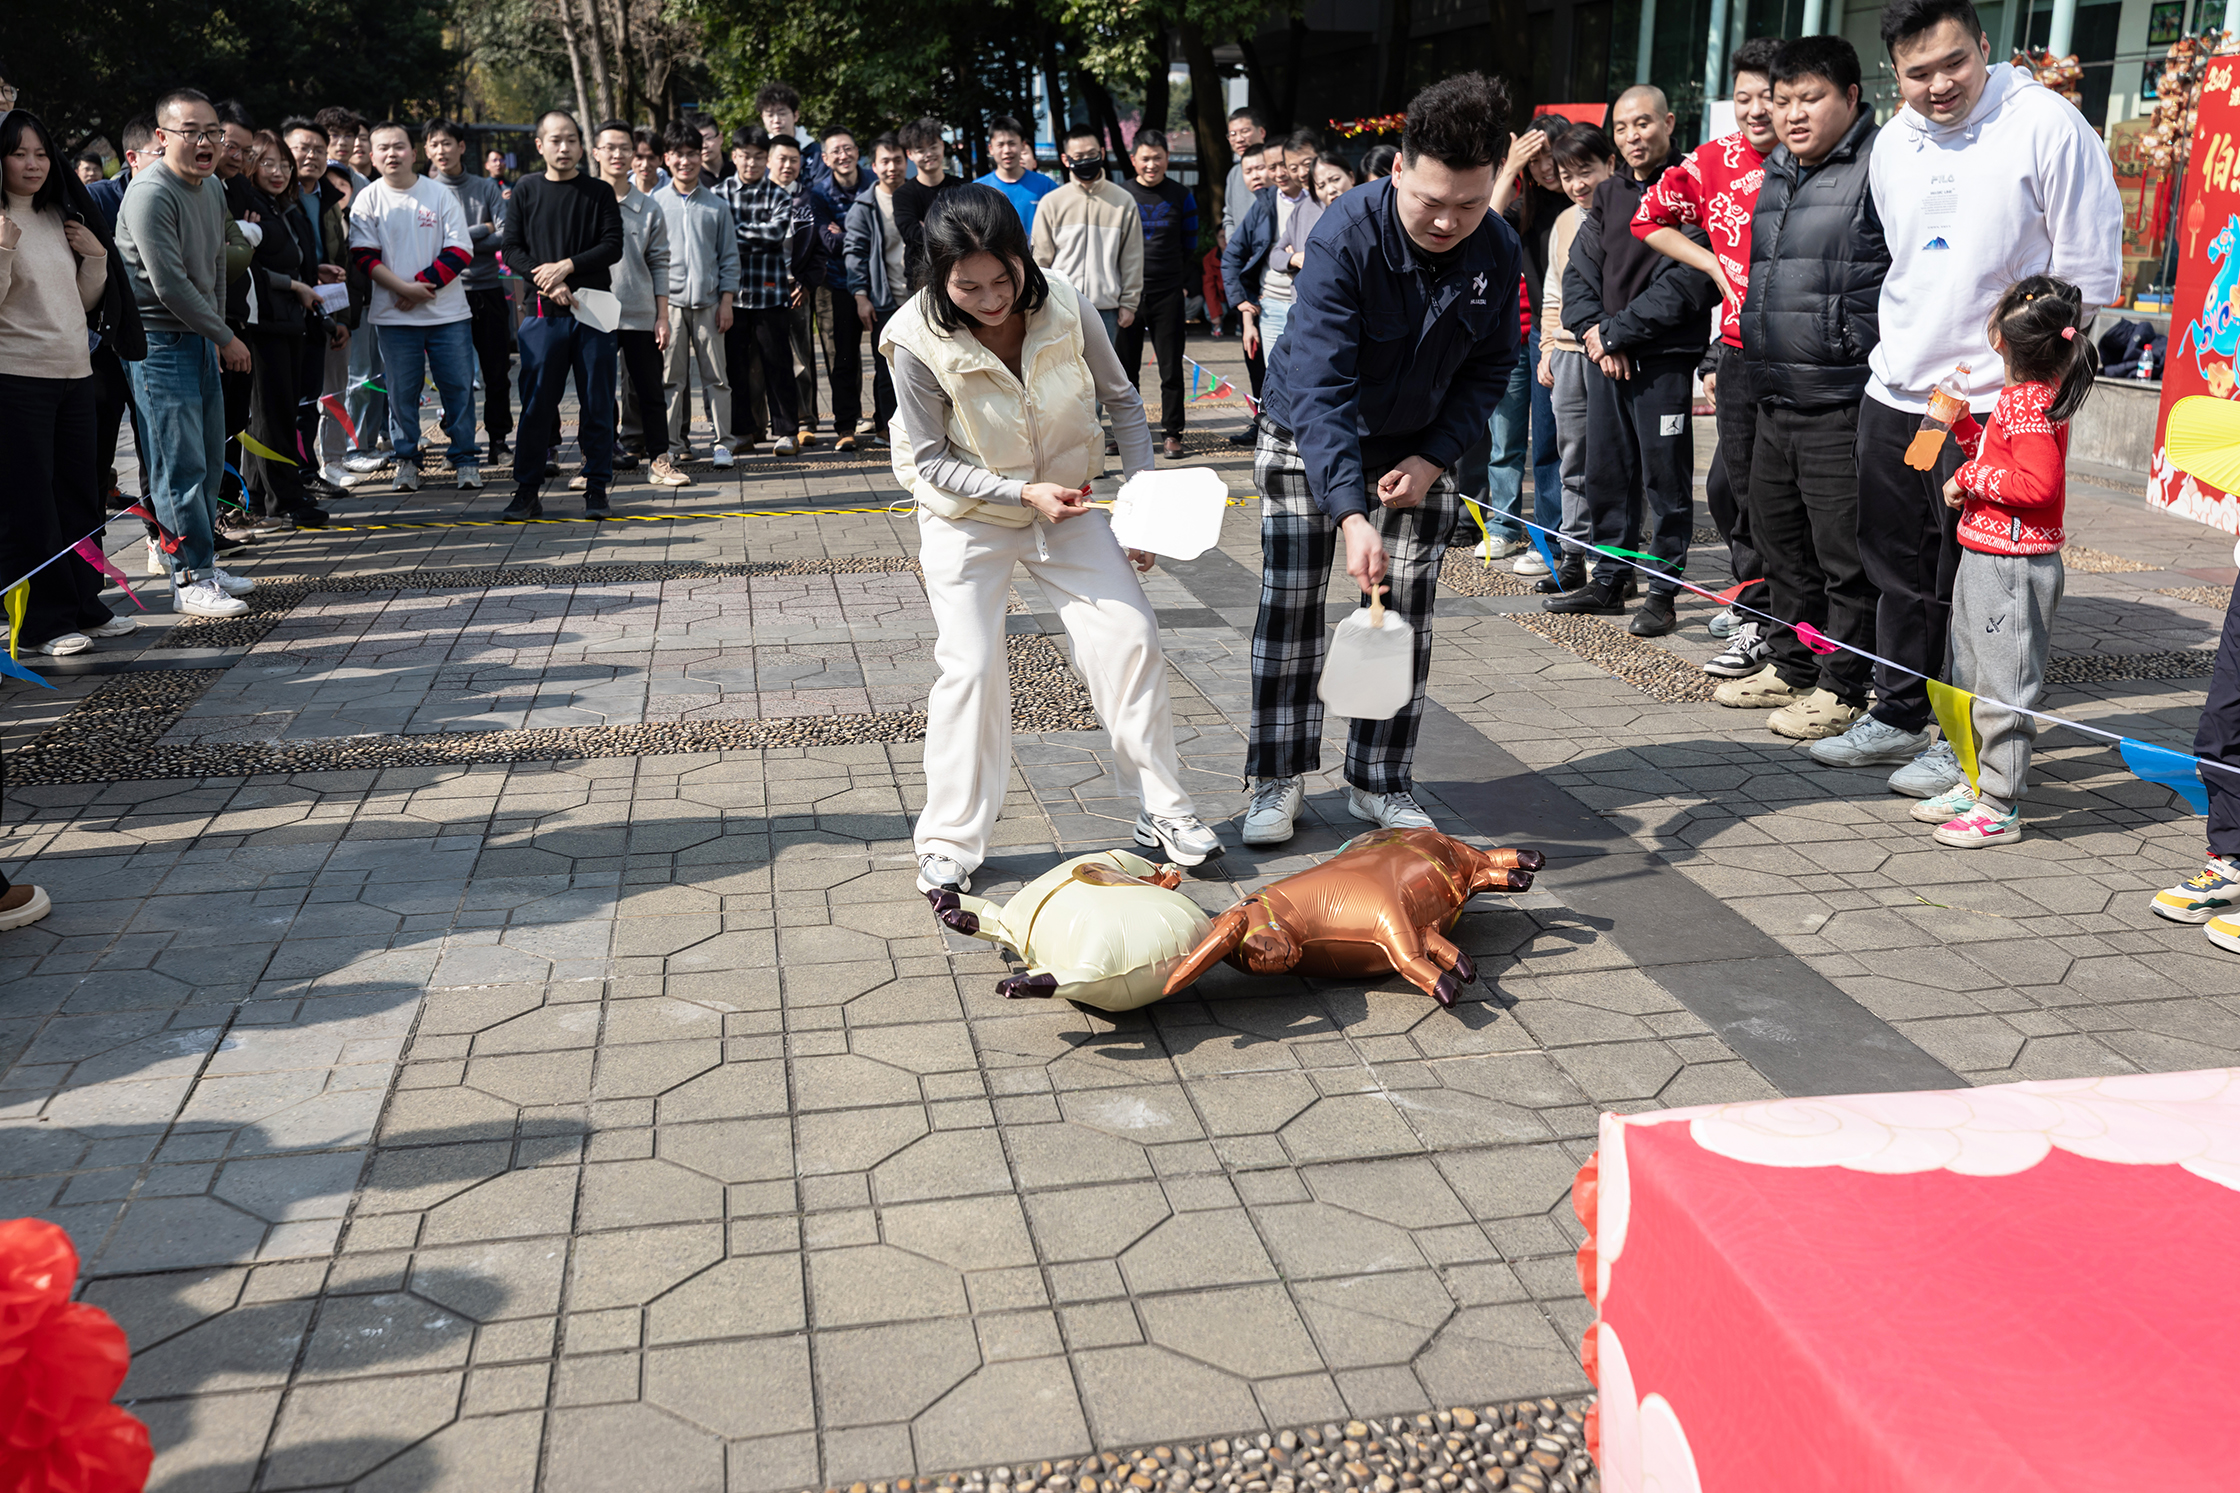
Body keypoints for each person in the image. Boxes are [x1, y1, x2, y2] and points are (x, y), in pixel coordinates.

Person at [882, 184, 1218, 893]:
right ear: (939, 278)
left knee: (1131, 637)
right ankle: (949, 840)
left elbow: (1123, 402)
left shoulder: (1064, 300)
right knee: (971, 668)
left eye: (1003, 278)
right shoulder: (912, 338)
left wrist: (1142, 512)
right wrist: (1020, 492)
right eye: (968, 286)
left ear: (1023, 258)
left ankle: (1163, 809)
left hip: (1068, 500)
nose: (992, 298)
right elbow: (931, 460)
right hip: (967, 512)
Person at [1828, 0, 2120, 796]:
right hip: (1905, 395)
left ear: (1985, 47)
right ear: (1893, 73)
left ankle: (1963, 743)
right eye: (1917, 72)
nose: (1939, 85)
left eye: (1954, 62)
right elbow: (1893, 257)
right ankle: (1897, 712)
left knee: (1978, 586)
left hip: (1996, 402)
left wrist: (2039, 392)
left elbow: (2088, 273)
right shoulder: (1895, 141)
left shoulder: (2047, 125)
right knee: (1898, 565)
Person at [1241, 73, 1524, 846]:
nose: (1448, 221)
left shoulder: (1499, 249)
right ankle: (1276, 776)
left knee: (1401, 612)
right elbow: (1321, 382)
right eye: (1430, 201)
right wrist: (1349, 513)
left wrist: (1434, 458)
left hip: (1416, 443)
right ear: (1397, 169)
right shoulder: (1345, 236)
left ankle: (1378, 778)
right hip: (1308, 428)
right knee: (1291, 602)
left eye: (1470, 204)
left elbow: (1490, 369)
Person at [1702, 37, 1890, 742]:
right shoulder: (1779, 169)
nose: (1791, 114)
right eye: (1783, 101)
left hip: (1840, 396)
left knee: (1843, 557)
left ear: (1850, 96)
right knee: (1779, 542)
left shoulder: (1878, 166)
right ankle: (1790, 664)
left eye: (1810, 98)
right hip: (1770, 389)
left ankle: (1845, 686)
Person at [1905, 275, 2094, 848]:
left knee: (2002, 686)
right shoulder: (2023, 399)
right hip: (1986, 554)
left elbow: (2036, 484)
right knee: (1968, 675)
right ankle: (1975, 781)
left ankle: (1999, 803)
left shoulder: (2029, 404)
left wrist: (1968, 477)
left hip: (2012, 566)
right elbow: (2004, 462)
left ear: (2000, 340)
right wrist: (1965, 428)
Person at [1633, 35, 1783, 663]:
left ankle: (1789, 620)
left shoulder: (1814, 158)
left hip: (1813, 356)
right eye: (1743, 97)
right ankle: (1754, 611)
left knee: (1789, 497)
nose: (1756, 110)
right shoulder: (1713, 160)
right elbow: (1649, 218)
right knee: (1732, 490)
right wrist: (1714, 265)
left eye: (1767, 97)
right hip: (1739, 349)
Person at [1546, 84, 1716, 638]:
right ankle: (1610, 578)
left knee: (1666, 479)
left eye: (1642, 123)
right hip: (1606, 359)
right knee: (1607, 472)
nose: (1632, 135)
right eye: (1621, 127)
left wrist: (1615, 335)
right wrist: (1595, 334)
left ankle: (1662, 592)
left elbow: (1691, 281)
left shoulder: (1693, 187)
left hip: (1662, 360)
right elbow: (1578, 274)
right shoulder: (1610, 194)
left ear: (1668, 122)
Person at [114, 88, 256, 618]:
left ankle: (205, 563)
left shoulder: (212, 187)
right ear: (162, 136)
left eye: (213, 132)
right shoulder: (150, 193)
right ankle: (188, 578)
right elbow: (168, 284)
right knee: (178, 466)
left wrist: (216, 333)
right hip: (158, 343)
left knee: (211, 457)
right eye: (191, 132)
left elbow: (217, 264)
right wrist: (224, 336)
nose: (205, 142)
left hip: (199, 336)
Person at [0, 108, 135, 654]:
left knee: (80, 496)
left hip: (75, 373)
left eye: (40, 153)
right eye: (18, 153)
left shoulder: (59, 213)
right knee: (29, 506)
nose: (33, 164)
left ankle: (84, 603)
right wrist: (4, 248)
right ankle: (40, 624)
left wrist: (95, 260)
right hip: (16, 380)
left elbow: (76, 303)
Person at [501, 109, 625, 519]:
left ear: (582, 146)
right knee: (537, 404)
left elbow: (612, 246)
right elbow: (511, 249)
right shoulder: (525, 189)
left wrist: (567, 266)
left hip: (595, 312)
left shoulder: (599, 192)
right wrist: (548, 280)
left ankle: (596, 488)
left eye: (572, 139)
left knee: (598, 402)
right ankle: (527, 490)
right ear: (540, 145)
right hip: (543, 313)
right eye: (556, 140)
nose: (565, 147)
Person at [349, 120, 477, 494]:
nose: (392, 154)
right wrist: (403, 290)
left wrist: (421, 286)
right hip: (394, 318)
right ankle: (406, 458)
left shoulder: (439, 194)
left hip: (448, 314)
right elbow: (363, 255)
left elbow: (460, 249)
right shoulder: (368, 198)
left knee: (458, 388)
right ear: (372, 156)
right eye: (383, 148)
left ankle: (465, 457)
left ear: (414, 152)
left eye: (399, 146)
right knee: (401, 393)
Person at [1481, 114, 1574, 569]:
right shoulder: (1524, 207)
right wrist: (1510, 168)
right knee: (1539, 443)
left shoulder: (1590, 201)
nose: (1545, 167)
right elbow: (1484, 225)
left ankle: (1583, 540)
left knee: (1575, 444)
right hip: (1543, 333)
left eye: (1550, 155)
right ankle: (1542, 539)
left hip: (1591, 332)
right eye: (1535, 160)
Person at [237, 131, 333, 530]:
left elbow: (289, 255)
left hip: (290, 319)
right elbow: (250, 267)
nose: (278, 172)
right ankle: (285, 499)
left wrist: (311, 274)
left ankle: (260, 495)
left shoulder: (282, 205)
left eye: (283, 165)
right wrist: (294, 285)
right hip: (264, 322)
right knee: (271, 414)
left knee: (278, 411)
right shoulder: (248, 205)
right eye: (267, 163)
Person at [1537, 127, 1616, 594]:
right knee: (1572, 459)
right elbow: (1553, 292)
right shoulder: (1565, 220)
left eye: (1585, 171)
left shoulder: (1632, 213)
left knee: (1613, 462)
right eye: (1567, 175)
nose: (1577, 184)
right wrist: (1548, 347)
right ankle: (1572, 555)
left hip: (1611, 355)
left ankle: (1614, 563)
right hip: (1568, 355)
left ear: (1611, 165)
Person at [593, 119, 685, 487]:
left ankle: (660, 460)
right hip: (595, 312)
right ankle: (594, 462)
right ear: (596, 152)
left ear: (633, 154)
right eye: (610, 148)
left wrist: (662, 316)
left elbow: (660, 262)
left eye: (624, 148)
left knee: (650, 391)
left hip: (640, 313)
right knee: (596, 392)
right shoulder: (585, 201)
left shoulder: (649, 207)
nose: (617, 155)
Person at [423, 119, 512, 464]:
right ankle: (459, 442)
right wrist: (481, 228)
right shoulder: (425, 191)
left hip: (487, 290)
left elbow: (504, 235)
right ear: (426, 150)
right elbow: (431, 244)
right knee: (453, 376)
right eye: (434, 144)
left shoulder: (486, 187)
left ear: (461, 147)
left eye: (447, 143)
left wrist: (457, 241)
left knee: (497, 372)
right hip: (446, 293)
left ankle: (498, 441)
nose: (441, 150)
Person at [716, 126, 803, 456]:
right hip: (731, 296)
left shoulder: (779, 195)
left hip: (770, 294)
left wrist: (732, 233)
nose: (751, 163)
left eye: (757, 157)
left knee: (777, 364)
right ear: (734, 156)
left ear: (766, 159)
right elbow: (718, 238)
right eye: (744, 156)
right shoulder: (719, 192)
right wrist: (748, 235)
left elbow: (775, 234)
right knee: (734, 367)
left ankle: (787, 432)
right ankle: (742, 431)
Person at [654, 122, 736, 467]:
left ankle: (723, 444)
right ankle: (672, 445)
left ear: (700, 158)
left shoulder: (717, 206)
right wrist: (657, 311)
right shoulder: (655, 204)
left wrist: (726, 301)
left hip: (709, 304)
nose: (685, 161)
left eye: (691, 154)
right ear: (666, 158)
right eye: (678, 154)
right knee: (670, 379)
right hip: (668, 306)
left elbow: (729, 257)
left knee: (717, 378)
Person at [1030, 125, 1142, 356]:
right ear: (1065, 159)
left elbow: (1132, 257)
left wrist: (1129, 303)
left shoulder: (1123, 201)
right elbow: (1040, 259)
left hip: (1106, 308)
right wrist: (1039, 301)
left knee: (1102, 374)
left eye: (1092, 155)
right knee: (1061, 370)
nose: (1086, 161)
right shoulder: (1052, 202)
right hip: (1060, 305)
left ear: (1102, 153)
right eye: (1079, 157)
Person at [1117, 128, 1195, 459]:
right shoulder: (1121, 194)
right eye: (1145, 158)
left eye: (1158, 158)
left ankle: (1173, 433)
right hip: (1128, 293)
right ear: (1134, 160)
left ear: (1167, 159)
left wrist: (1179, 280)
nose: (1152, 164)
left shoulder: (1181, 194)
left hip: (1167, 292)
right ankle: (1126, 432)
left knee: (1171, 368)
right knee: (1123, 370)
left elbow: (1190, 244)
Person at [844, 133, 908, 442]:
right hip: (884, 299)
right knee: (886, 368)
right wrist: (861, 297)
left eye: (897, 160)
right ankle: (886, 427)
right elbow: (854, 254)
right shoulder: (864, 206)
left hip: (917, 297)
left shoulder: (916, 197)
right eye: (885, 161)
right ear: (874, 165)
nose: (892, 167)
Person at [808, 125, 869, 448]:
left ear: (857, 151)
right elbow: (829, 243)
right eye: (836, 151)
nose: (843, 155)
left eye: (848, 148)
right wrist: (861, 236)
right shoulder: (818, 193)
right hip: (837, 284)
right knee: (842, 358)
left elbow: (883, 235)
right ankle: (846, 427)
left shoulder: (875, 183)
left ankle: (887, 424)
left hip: (877, 282)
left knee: (889, 356)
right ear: (825, 158)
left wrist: (845, 233)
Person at [768, 134, 829, 450]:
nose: (788, 165)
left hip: (796, 288)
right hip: (761, 288)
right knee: (759, 358)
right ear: (769, 161)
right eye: (782, 158)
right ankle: (760, 424)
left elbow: (819, 249)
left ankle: (806, 420)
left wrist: (806, 284)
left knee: (800, 358)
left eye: (794, 159)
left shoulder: (810, 199)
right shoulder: (756, 197)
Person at [1248, 130, 1321, 359]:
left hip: (1325, 309)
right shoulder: (1301, 208)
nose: (1301, 173)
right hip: (1293, 306)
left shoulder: (1338, 202)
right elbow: (1276, 255)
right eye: (1293, 167)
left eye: (1307, 164)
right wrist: (1294, 259)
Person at [893, 117, 960, 289]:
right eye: (920, 150)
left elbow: (973, 230)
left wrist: (927, 228)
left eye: (933, 147)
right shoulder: (903, 195)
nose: (928, 154)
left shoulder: (962, 187)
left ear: (942, 146)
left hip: (962, 277)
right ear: (910, 154)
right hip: (920, 281)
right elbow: (912, 235)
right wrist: (954, 230)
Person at [981, 114, 1055, 234]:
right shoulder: (979, 189)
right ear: (991, 149)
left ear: (1022, 145)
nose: (1007, 150)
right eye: (1000, 145)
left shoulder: (1046, 186)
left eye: (1012, 143)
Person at [757, 82, 823, 174]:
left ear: (795, 115)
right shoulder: (759, 154)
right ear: (762, 118)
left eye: (782, 114)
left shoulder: (817, 153)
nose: (776, 120)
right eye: (770, 115)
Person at [1221, 106, 1266, 238]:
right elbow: (1229, 216)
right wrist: (1233, 244)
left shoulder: (1277, 169)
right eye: (1232, 134)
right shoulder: (1234, 173)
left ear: (1261, 132)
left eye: (1245, 131)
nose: (1239, 139)